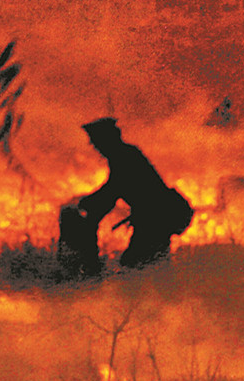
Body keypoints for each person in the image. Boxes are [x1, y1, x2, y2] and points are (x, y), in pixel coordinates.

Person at [65, 117, 194, 273]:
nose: (96, 147)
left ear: (107, 139)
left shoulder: (124, 157)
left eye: (96, 142)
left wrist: (86, 205)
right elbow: (112, 191)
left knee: (137, 266)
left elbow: (112, 191)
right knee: (143, 265)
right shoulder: (124, 154)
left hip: (156, 220)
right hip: (153, 220)